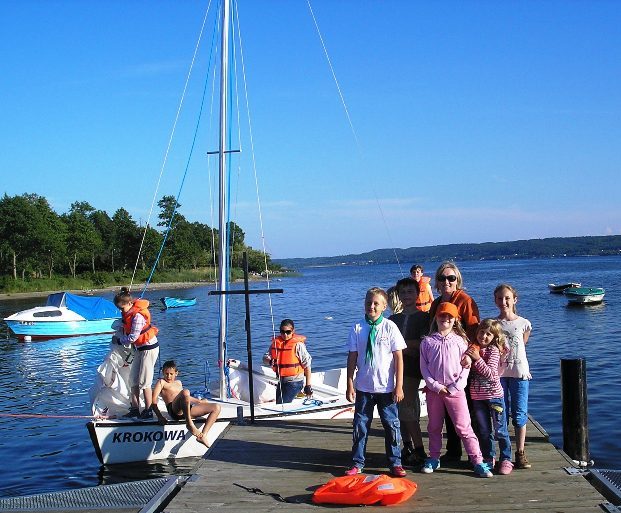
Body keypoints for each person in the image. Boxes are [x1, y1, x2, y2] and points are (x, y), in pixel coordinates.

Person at [419, 302, 493, 478]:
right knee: (434, 426)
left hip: (456, 391)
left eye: (449, 316)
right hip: (434, 392)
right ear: (436, 317)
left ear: (455, 320)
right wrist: (435, 386)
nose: (445, 319)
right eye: (442, 315)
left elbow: (466, 368)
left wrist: (455, 386)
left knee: (463, 427)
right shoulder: (427, 342)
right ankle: (434, 457)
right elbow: (424, 368)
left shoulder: (461, 341)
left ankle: (477, 460)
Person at [345, 287, 407, 478]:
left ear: (384, 306)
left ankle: (395, 462)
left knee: (391, 425)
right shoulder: (357, 327)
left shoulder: (390, 327)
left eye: (376, 303)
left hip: (386, 388)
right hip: (364, 387)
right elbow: (352, 357)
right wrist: (349, 383)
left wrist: (398, 386)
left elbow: (398, 358)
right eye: (368, 302)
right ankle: (357, 462)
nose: (371, 306)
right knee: (360, 425)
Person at [427, 261, 480, 462]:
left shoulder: (465, 300)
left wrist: (470, 355)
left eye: (451, 278)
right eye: (442, 278)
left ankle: (478, 455)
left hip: (463, 364)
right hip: (441, 366)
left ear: (458, 280)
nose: (447, 281)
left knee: (466, 411)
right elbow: (432, 331)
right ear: (437, 282)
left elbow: (476, 331)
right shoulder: (435, 304)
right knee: (447, 410)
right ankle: (453, 450)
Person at [389, 277, 429, 466]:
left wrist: (402, 346)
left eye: (410, 292)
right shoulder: (393, 319)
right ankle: (407, 446)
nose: (406, 296)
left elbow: (424, 344)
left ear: (417, 294)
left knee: (407, 408)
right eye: (403, 292)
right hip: (394, 369)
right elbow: (388, 345)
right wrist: (406, 346)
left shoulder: (424, 317)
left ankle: (419, 449)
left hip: (413, 369)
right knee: (401, 409)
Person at [466, 319, 513, 475]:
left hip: (494, 397)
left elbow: (491, 375)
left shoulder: (493, 350)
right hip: (477, 397)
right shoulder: (473, 348)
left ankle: (506, 458)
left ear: (494, 337)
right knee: (484, 430)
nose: (484, 336)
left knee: (500, 430)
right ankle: (488, 457)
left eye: (488, 334)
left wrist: (477, 359)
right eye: (482, 332)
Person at [495, 283, 533, 470]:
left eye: (507, 298)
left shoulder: (524, 323)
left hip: (519, 373)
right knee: (501, 413)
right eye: (500, 298)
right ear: (495, 301)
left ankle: (520, 452)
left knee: (519, 414)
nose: (504, 302)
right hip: (499, 375)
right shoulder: (493, 324)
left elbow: (523, 344)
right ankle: (505, 454)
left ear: (514, 300)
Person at [113, 287, 160, 419]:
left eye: (122, 308)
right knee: (133, 379)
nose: (121, 311)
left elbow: (133, 337)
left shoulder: (137, 316)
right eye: (119, 309)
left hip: (149, 348)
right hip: (139, 348)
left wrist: (119, 340)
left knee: (145, 381)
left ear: (129, 303)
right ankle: (135, 408)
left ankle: (148, 410)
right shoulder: (127, 315)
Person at [151, 360, 221, 447]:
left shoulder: (178, 383)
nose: (168, 376)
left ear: (176, 373)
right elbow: (153, 400)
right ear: (163, 373)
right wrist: (159, 416)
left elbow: (186, 398)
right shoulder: (161, 382)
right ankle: (189, 424)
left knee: (216, 407)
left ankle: (203, 435)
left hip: (186, 409)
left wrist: (199, 401)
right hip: (174, 410)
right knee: (185, 391)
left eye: (171, 374)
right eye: (166, 374)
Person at [263, 319, 313, 404]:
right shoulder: (275, 344)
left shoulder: (298, 345)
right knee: (278, 404)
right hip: (281, 381)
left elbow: (307, 365)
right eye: (282, 332)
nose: (285, 335)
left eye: (288, 332)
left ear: (293, 331)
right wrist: (269, 361)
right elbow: (265, 358)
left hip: (295, 382)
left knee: (281, 405)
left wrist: (308, 386)